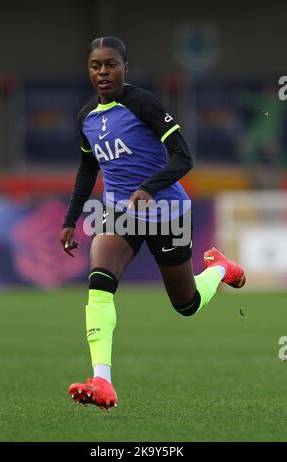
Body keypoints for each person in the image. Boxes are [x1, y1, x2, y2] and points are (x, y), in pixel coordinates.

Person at [60, 36, 246, 411]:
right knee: (99, 284)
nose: (103, 72)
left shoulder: (142, 103)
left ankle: (220, 269)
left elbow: (183, 156)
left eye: (110, 64)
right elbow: (87, 168)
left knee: (186, 304)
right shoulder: (86, 118)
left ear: (124, 67)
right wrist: (70, 219)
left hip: (167, 214)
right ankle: (102, 380)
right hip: (119, 212)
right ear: (89, 69)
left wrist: (149, 186)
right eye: (96, 65)